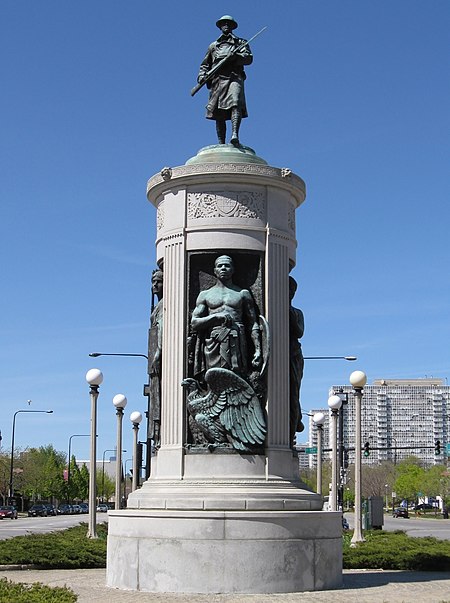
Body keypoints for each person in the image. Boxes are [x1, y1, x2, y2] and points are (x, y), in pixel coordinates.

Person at [191, 255, 262, 380]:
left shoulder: (242, 293)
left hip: (236, 339)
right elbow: (194, 323)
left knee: (236, 378)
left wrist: (258, 350)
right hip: (214, 341)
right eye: (220, 266)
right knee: (213, 377)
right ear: (215, 270)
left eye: (227, 265)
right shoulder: (205, 295)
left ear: (233, 269)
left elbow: (253, 323)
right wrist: (215, 318)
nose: (223, 268)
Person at [197, 15, 253, 146]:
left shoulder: (240, 43)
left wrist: (235, 57)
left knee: (235, 103)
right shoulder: (213, 46)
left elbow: (248, 58)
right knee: (219, 112)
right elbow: (205, 64)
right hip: (218, 80)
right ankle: (221, 142)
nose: (226, 25)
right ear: (220, 26)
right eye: (223, 23)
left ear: (233, 26)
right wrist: (202, 76)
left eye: (229, 23)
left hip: (234, 77)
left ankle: (235, 135)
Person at [147, 269, 163, 448]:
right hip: (154, 362)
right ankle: (157, 437)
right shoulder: (158, 307)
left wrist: (158, 353)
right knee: (155, 401)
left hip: (158, 361)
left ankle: (159, 435)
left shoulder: (165, 305)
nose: (154, 285)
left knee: (158, 401)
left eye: (158, 281)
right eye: (153, 282)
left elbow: (164, 330)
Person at [289, 276, 305, 446]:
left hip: (293, 355)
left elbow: (299, 332)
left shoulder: (296, 312)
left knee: (293, 394)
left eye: (292, 291)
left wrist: (290, 315)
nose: (290, 294)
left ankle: (293, 423)